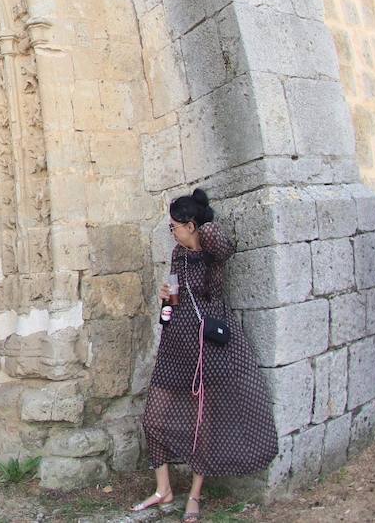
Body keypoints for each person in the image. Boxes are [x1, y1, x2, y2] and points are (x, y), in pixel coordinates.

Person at [135, 189, 276, 523]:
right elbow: (173, 305)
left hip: (207, 349)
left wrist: (203, 223)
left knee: (204, 425)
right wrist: (166, 298)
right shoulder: (176, 255)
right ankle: (163, 489)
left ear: (192, 225)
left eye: (175, 226)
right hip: (175, 347)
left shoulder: (212, 253)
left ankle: (195, 495)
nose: (172, 231)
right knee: (153, 417)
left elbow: (223, 243)